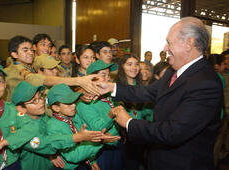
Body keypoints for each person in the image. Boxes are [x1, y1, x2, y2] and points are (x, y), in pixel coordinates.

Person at [96, 17, 224, 170]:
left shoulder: (206, 83)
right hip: (158, 158)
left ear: (189, 43)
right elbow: (148, 92)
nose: (164, 48)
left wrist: (130, 123)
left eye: (169, 42)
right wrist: (111, 88)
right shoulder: (173, 70)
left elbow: (173, 132)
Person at [4, 36, 99, 101]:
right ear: (14, 54)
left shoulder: (28, 67)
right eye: (25, 50)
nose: (30, 53)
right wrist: (78, 81)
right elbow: (36, 80)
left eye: (31, 50)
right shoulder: (14, 70)